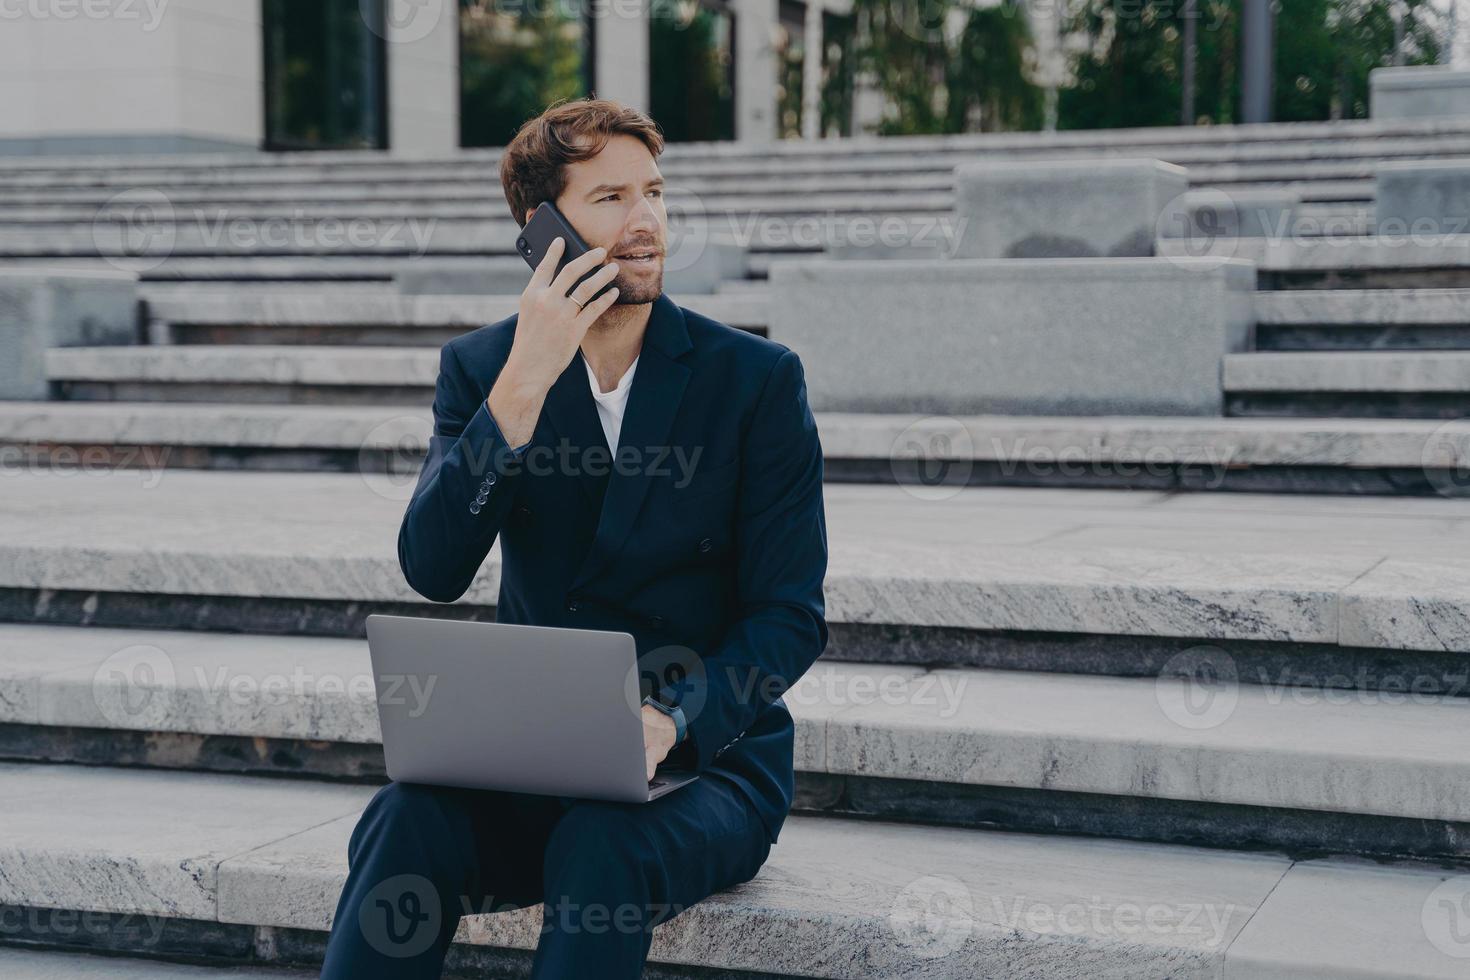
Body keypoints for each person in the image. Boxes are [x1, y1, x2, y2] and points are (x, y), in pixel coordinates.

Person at [319, 97, 829, 979]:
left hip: (709, 766)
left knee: (604, 841)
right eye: (611, 199)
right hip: (533, 754)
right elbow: (433, 568)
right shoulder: (484, 369)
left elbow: (789, 616)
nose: (645, 223)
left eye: (655, 194)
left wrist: (668, 721)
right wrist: (523, 382)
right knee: (404, 819)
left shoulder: (756, 381)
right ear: (540, 227)